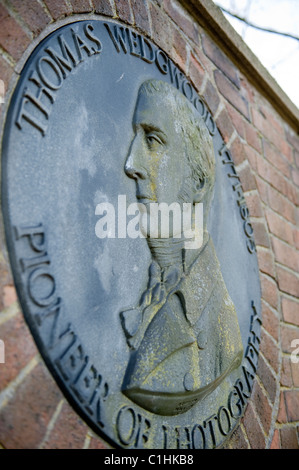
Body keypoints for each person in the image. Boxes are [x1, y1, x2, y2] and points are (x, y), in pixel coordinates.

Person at [120, 79, 243, 416]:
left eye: (153, 140)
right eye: (135, 138)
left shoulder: (223, 334)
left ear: (199, 182)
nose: (131, 164)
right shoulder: (152, 284)